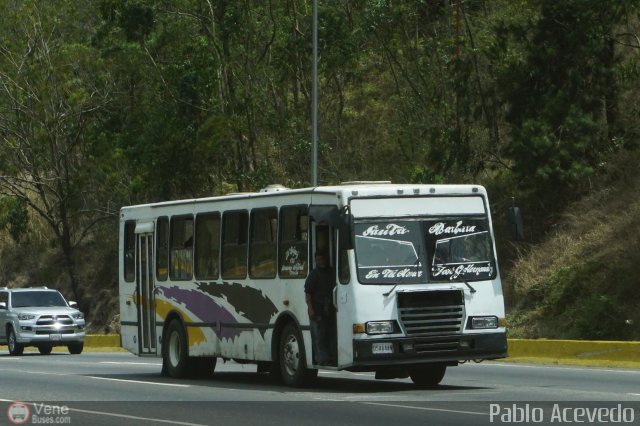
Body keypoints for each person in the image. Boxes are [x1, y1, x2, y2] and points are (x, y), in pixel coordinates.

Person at [304, 250, 336, 365]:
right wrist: (311, 310)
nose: (320, 262)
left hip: (330, 311)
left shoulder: (332, 273)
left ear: (326, 259)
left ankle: (331, 358)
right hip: (317, 311)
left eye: (322, 259)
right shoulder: (313, 275)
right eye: (318, 260)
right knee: (319, 338)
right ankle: (322, 360)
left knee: (330, 336)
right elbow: (308, 294)